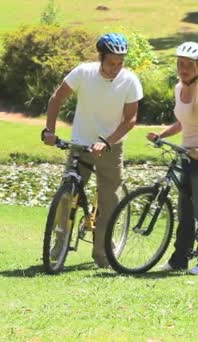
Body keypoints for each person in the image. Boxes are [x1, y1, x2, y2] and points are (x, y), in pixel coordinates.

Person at [42, 33, 143, 268]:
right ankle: (59, 243)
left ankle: (103, 253)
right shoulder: (83, 73)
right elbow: (56, 99)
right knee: (66, 196)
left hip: (110, 147)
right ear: (101, 58)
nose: (115, 68)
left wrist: (107, 142)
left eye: (120, 63)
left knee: (109, 200)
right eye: (111, 63)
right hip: (80, 143)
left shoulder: (129, 81)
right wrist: (49, 130)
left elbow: (130, 120)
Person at [147, 42, 198, 275]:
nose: (183, 69)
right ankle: (179, 260)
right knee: (185, 213)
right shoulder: (178, 88)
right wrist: (161, 134)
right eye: (180, 64)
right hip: (186, 155)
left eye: (189, 65)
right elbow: (183, 123)